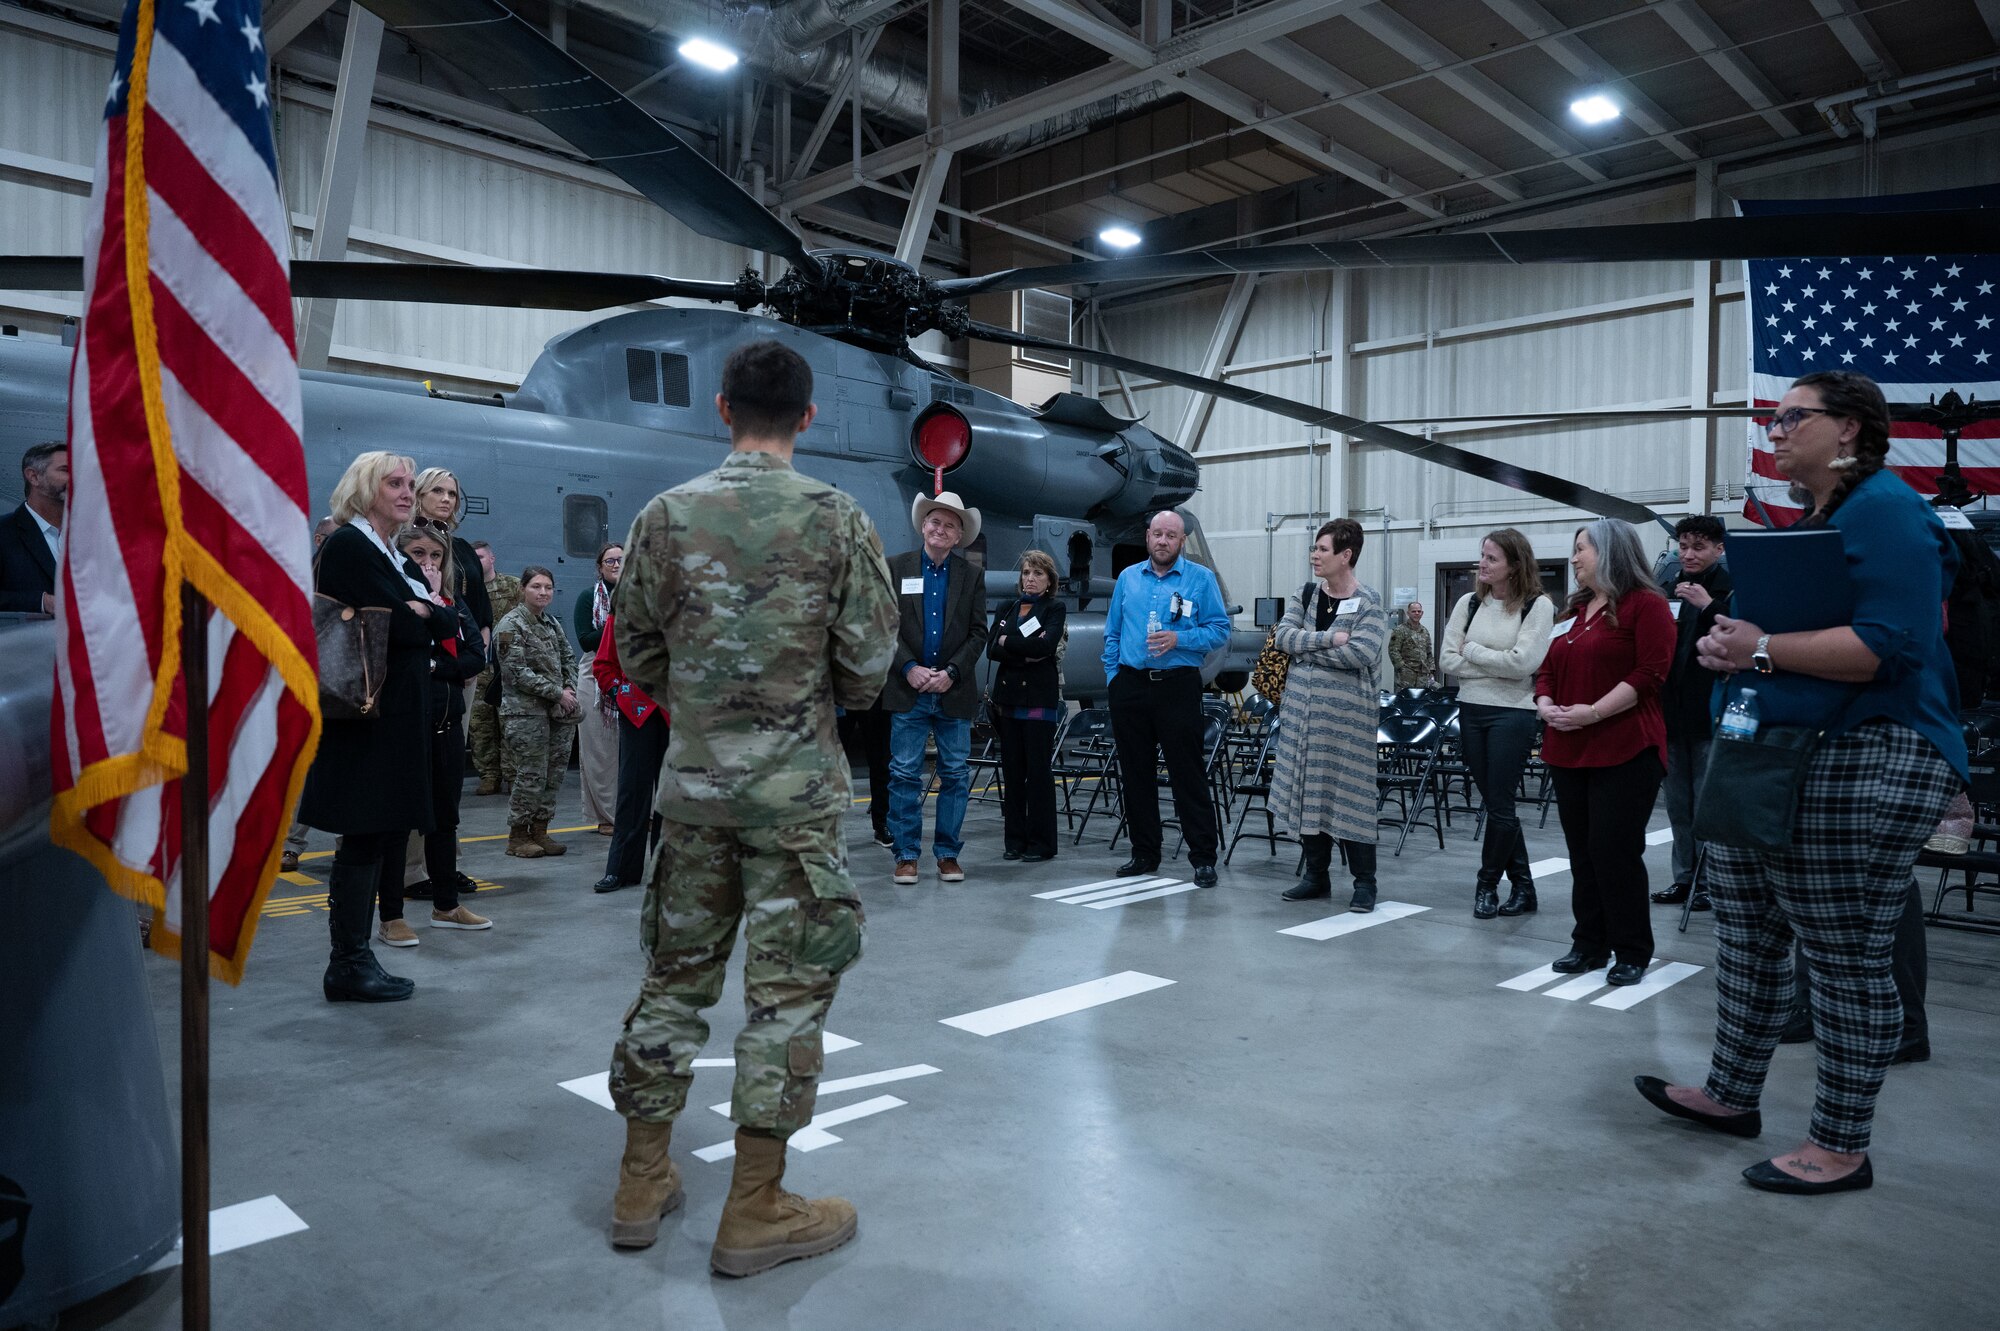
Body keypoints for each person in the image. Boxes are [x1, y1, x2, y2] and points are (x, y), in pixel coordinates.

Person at [606, 339, 896, 1273]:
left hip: (690, 797)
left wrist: (701, 699)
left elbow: (636, 653)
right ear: (807, 417)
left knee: (673, 982)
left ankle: (641, 1182)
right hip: (793, 802)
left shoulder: (663, 516)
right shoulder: (839, 520)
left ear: (722, 408)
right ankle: (756, 1205)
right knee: (786, 997)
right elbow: (864, 675)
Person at [1637, 371, 1967, 1194]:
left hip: (1866, 750)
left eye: (1792, 417)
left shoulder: (1888, 510)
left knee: (1843, 950)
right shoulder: (1815, 519)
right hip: (1780, 751)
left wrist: (1755, 648)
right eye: (1773, 417)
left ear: (1850, 428)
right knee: (1746, 931)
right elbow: (1757, 631)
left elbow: (1881, 645)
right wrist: (1725, 645)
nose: (1775, 431)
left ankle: (1840, 1144)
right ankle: (1730, 1092)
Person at [297, 452, 451, 1003]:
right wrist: (423, 612)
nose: (408, 492)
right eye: (395, 483)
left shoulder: (385, 550)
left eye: (411, 483)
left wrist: (425, 611)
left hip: (387, 718)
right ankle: (348, 962)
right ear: (366, 490)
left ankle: (357, 959)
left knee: (374, 836)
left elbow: (441, 617)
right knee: (361, 839)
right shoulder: (349, 545)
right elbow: (409, 628)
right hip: (365, 721)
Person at [1534, 518, 1674, 986]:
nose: (1573, 559)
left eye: (1581, 549)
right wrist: (1547, 704)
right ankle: (1589, 943)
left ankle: (1632, 949)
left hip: (1625, 746)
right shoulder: (1574, 613)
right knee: (1583, 854)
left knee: (1614, 851)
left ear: (1610, 551)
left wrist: (1591, 713)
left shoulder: (1646, 606)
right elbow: (1547, 671)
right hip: (1568, 747)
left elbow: (1649, 675)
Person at [373, 523, 492, 944]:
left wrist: (434, 667)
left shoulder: (451, 603)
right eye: (418, 556)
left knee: (445, 819)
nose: (428, 564)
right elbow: (401, 655)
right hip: (404, 726)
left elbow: (476, 655)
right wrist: (435, 663)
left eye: (435, 557)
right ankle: (390, 914)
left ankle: (447, 905)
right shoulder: (396, 603)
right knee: (399, 822)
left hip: (446, 723)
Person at [1102, 509, 1232, 890]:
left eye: (1170, 536)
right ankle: (1145, 853)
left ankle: (1203, 858)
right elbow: (1112, 634)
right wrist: (1114, 681)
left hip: (1177, 686)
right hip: (1130, 686)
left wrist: (1181, 639)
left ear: (1180, 541)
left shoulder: (1200, 580)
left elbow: (1220, 630)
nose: (1162, 541)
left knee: (1186, 774)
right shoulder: (1127, 579)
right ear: (1147, 538)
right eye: (1157, 534)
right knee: (1135, 774)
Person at [1270, 520, 1389, 909]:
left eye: (1322, 549)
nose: (1314, 555)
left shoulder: (1369, 602)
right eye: (1314, 548)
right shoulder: (1304, 595)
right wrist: (1326, 639)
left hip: (1347, 727)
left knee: (1351, 798)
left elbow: (1360, 653)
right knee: (1307, 796)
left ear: (1345, 555)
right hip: (1300, 722)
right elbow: (1282, 638)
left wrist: (1305, 652)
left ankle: (1364, 884)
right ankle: (1315, 876)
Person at [1439, 528, 1556, 919]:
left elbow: (1525, 663)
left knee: (1500, 803)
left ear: (1514, 565)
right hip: (1471, 709)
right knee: (1495, 803)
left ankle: (1486, 885)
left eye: (1492, 558)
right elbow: (1446, 661)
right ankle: (1524, 887)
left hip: (1515, 714)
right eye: (1482, 556)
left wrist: (1472, 652)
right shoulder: (1469, 604)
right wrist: (1496, 662)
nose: (1482, 564)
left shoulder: (1538, 606)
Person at [883, 491, 989, 885]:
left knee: (956, 774)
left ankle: (947, 854)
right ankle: (906, 854)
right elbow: (883, 626)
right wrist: (908, 667)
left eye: (950, 525)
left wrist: (952, 672)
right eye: (935, 522)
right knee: (904, 773)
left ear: (959, 535)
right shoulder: (896, 568)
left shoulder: (971, 576)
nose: (940, 529)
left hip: (953, 691)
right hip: (908, 690)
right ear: (923, 526)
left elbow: (979, 632)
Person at [1652, 516, 1734, 912]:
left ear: (1719, 549)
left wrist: (1708, 606)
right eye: (1683, 546)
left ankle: (1711, 882)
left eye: (1698, 546)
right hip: (1671, 713)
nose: (1688, 554)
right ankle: (1684, 879)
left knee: (1707, 806)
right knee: (1678, 805)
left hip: (1710, 714)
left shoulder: (1730, 589)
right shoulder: (1667, 589)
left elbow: (1742, 635)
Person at [987, 549, 1068, 863]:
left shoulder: (1054, 608)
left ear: (1049, 580)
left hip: (1038, 702)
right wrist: (1023, 651)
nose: (1030, 579)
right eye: (1026, 573)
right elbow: (992, 647)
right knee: (1013, 774)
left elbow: (1047, 646)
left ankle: (1042, 842)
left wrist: (1010, 643)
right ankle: (1015, 840)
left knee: (1038, 774)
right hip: (1008, 703)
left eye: (1037, 574)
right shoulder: (1008, 607)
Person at [495, 567, 580, 859]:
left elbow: (569, 657)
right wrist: (558, 693)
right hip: (525, 714)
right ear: (523, 589)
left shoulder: (551, 624)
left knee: (553, 775)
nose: (543, 592)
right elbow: (515, 672)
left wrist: (569, 687)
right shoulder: (510, 625)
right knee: (530, 775)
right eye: (536, 586)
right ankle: (518, 837)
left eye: (548, 587)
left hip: (557, 712)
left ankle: (540, 831)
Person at [591, 609, 669, 894]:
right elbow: (603, 665)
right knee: (631, 792)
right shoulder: (623, 610)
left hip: (678, 714)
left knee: (672, 797)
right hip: (638, 713)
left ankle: (667, 873)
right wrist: (621, 694)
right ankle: (620, 870)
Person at [283, 514, 342, 873]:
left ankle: (349, 843)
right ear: (320, 540)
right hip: (308, 688)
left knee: (350, 770)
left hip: (348, 690)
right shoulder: (297, 584)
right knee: (304, 771)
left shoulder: (353, 579)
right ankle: (288, 845)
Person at [573, 544, 624, 835]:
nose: (616, 564)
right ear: (600, 566)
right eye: (610, 560)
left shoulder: (643, 594)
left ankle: (639, 811)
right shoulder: (587, 597)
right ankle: (607, 816)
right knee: (600, 752)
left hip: (633, 673)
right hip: (595, 675)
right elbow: (585, 639)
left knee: (633, 752)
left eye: (622, 559)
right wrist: (621, 620)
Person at [469, 540, 523, 796]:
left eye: (480, 557)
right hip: (479, 666)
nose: (477, 562)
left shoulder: (512, 586)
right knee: (480, 725)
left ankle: (513, 775)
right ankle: (489, 775)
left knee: (509, 722)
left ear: (492, 559)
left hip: (506, 665)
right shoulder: (466, 590)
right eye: (473, 558)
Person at [1, 442, 65, 614]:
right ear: (33, 477)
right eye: (65, 470)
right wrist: (42, 601)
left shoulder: (91, 536)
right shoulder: (4, 533)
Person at [1389, 600, 1435, 691]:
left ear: (1422, 613)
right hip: (1406, 676)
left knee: (1421, 700)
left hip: (1422, 675)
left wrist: (1431, 670)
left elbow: (1429, 652)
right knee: (1404, 700)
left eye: (1419, 611)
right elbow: (1393, 650)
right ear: (1408, 613)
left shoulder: (1424, 631)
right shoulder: (1400, 630)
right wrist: (1401, 668)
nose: (1416, 613)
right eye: (1413, 611)